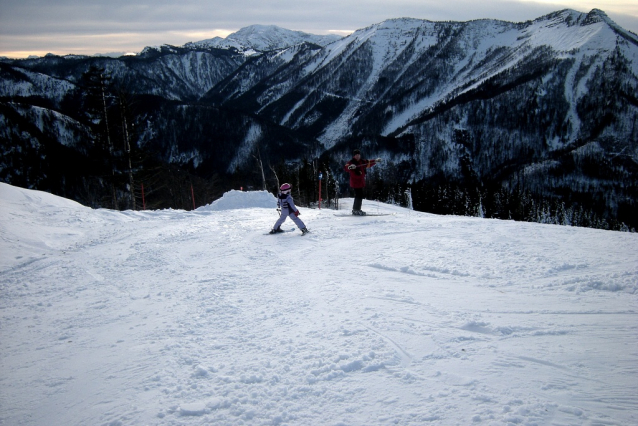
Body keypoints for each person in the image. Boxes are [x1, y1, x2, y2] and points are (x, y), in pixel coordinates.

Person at [344, 149, 382, 215]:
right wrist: (350, 167)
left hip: (360, 182)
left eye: (358, 155)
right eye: (356, 155)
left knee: (359, 195)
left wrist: (375, 161)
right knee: (359, 195)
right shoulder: (352, 162)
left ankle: (356, 209)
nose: (357, 156)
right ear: (354, 156)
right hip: (355, 182)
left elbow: (368, 163)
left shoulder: (362, 161)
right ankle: (356, 209)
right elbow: (346, 167)